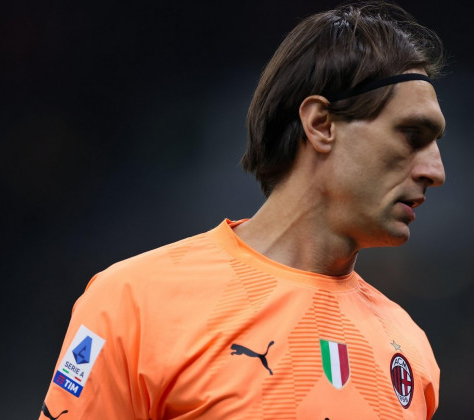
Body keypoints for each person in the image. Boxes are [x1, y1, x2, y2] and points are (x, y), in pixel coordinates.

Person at [40, 2, 446, 419]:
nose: (436, 171)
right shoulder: (134, 303)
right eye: (412, 135)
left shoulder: (409, 347)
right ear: (321, 124)